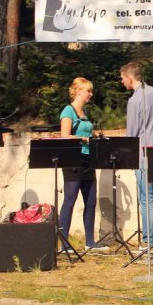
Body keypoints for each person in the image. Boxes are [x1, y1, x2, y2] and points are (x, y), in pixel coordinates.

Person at [120, 62, 153, 248]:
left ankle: (149, 241)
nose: (122, 81)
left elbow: (132, 134)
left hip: (144, 155)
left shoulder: (134, 100)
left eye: (122, 78)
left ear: (130, 77)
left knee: (146, 200)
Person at [59, 77, 106, 252]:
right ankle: (64, 243)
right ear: (79, 91)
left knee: (91, 201)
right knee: (70, 200)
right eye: (88, 91)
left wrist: (94, 136)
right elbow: (65, 136)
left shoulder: (84, 112)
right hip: (73, 160)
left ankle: (90, 242)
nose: (90, 94)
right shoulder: (68, 111)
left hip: (88, 159)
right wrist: (84, 139)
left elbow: (85, 131)